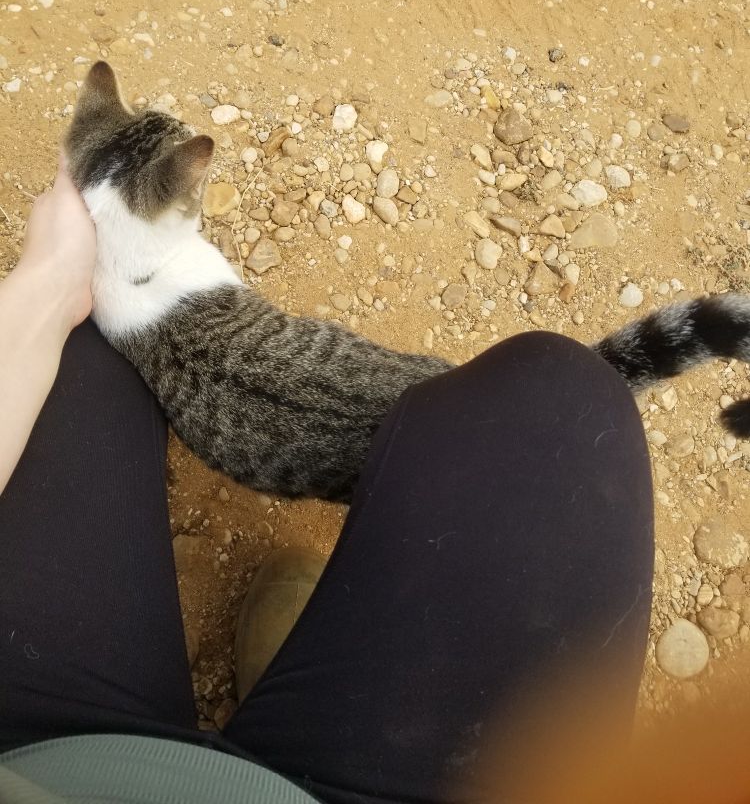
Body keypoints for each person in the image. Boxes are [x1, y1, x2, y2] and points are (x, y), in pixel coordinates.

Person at [0, 166, 654, 804]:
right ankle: (322, 707)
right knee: (560, 406)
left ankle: (301, 702)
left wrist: (49, 288)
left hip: (40, 756)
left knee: (102, 306)